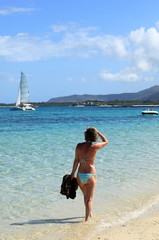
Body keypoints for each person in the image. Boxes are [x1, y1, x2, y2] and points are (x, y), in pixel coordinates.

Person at [71, 127, 108, 222]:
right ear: (94, 136)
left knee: (85, 196)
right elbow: (106, 141)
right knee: (89, 199)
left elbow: (76, 160)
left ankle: (90, 213)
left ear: (85, 135)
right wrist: (98, 131)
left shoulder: (79, 146)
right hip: (90, 175)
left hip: (80, 175)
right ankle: (87, 220)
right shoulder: (95, 146)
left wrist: (72, 173)